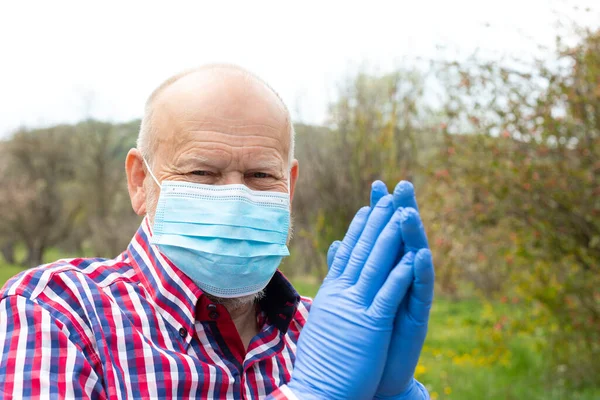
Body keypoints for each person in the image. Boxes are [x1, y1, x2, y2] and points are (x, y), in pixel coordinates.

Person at [0, 64, 434, 399]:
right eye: (201, 172)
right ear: (139, 181)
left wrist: (392, 393)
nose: (236, 199)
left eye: (262, 175)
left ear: (290, 185)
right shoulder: (57, 314)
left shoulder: (325, 334)